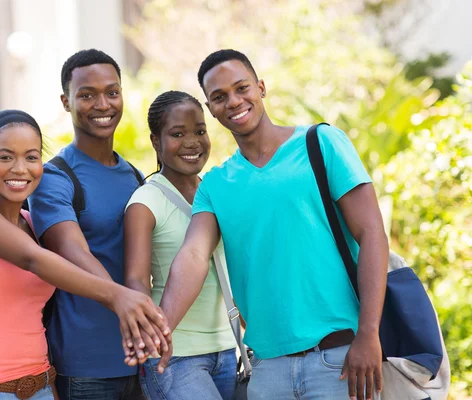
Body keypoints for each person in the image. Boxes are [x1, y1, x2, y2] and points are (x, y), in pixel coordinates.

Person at [154, 50, 389, 400]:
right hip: (267, 373)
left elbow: (371, 234)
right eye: (219, 97)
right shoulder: (216, 185)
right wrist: (162, 330)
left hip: (340, 361)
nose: (233, 101)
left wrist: (369, 334)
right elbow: (193, 256)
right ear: (211, 108)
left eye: (241, 88)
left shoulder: (320, 144)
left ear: (261, 87)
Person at [0, 109, 167, 400]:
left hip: (41, 386)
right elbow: (32, 259)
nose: (20, 168)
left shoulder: (35, 225)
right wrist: (118, 296)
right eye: (6, 157)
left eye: (31, 157)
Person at [29, 49, 168, 400]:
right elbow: (71, 250)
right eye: (87, 95)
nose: (103, 104)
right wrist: (124, 302)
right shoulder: (55, 176)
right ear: (66, 101)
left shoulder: (135, 175)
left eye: (112, 92)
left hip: (143, 361)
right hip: (85, 365)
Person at [124, 91, 237, 400]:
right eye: (178, 134)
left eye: (200, 131)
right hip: (175, 357)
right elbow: (136, 279)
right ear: (155, 141)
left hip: (229, 350)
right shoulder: (146, 201)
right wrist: (151, 333)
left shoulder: (215, 192)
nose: (192, 142)